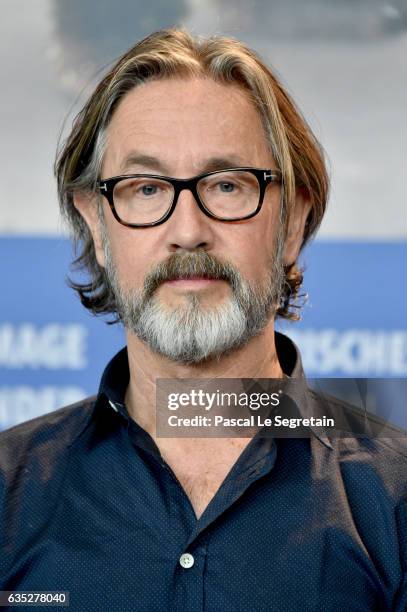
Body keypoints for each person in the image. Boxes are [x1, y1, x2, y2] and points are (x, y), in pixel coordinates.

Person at [0, 28, 405, 611]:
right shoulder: (10, 497)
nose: (187, 230)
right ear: (97, 226)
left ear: (292, 224)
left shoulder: (394, 504)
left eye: (226, 185)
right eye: (145, 188)